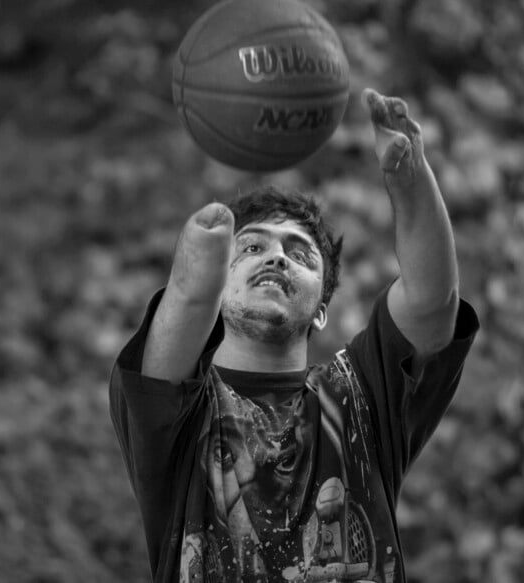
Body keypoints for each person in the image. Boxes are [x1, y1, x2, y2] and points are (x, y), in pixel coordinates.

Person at [109, 88, 479, 583]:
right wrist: (203, 263)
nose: (277, 257)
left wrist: (410, 179)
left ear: (322, 310)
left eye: (301, 254)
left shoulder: (360, 398)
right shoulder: (182, 414)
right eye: (253, 246)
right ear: (219, 288)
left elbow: (433, 302)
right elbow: (186, 305)